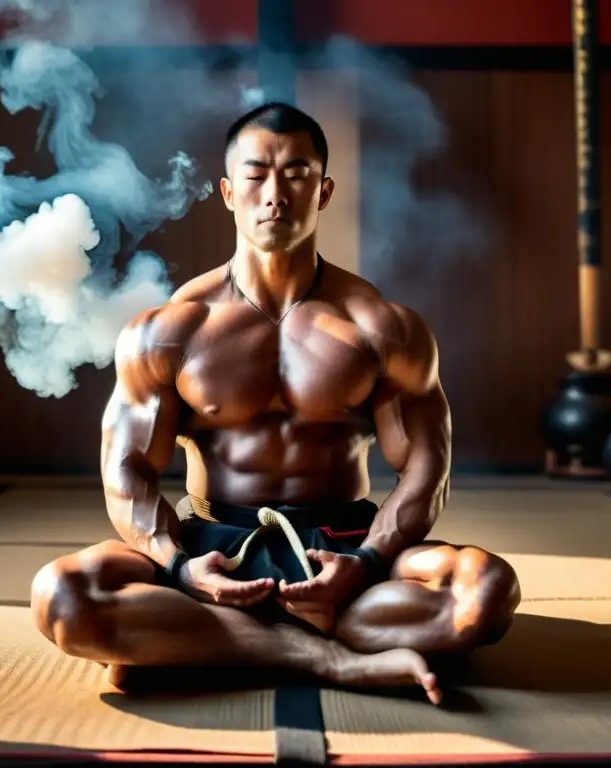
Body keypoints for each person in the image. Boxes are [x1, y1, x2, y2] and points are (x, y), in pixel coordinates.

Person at [30, 102, 521, 705]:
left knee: (485, 592)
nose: (275, 194)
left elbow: (426, 470)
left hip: (343, 548)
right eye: (257, 175)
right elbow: (127, 472)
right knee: (62, 595)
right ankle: (319, 654)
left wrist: (367, 563)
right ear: (229, 191)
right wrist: (180, 568)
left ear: (324, 189)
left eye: (296, 175)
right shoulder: (169, 331)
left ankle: (185, 643)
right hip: (213, 550)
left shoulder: (382, 327)